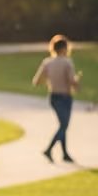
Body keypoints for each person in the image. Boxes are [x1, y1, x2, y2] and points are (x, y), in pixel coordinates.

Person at [32, 34, 80, 162]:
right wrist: (76, 82)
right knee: (64, 125)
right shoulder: (67, 62)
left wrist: (50, 80)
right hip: (65, 97)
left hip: (53, 97)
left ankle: (65, 154)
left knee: (62, 125)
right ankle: (49, 150)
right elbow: (72, 81)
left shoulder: (47, 62)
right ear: (64, 48)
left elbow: (36, 81)